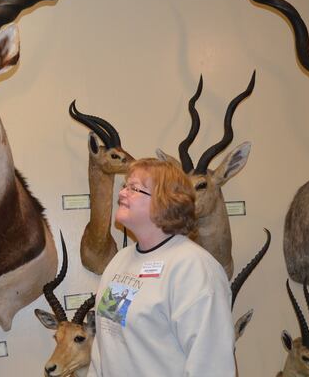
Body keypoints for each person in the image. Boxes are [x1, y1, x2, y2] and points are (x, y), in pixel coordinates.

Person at [87, 158, 235, 377]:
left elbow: (211, 365)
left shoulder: (194, 268)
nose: (122, 193)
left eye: (134, 188)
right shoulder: (120, 261)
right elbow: (107, 341)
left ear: (166, 201)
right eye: (125, 186)